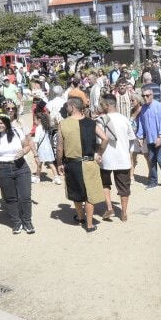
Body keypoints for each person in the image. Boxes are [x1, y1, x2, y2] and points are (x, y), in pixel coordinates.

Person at [57, 98, 107, 232]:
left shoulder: (63, 124)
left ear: (73, 107)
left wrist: (59, 163)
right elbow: (105, 138)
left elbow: (59, 147)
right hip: (90, 162)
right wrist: (99, 152)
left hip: (72, 164)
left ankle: (80, 217)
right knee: (89, 194)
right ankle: (90, 225)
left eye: (67, 106)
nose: (66, 108)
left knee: (77, 191)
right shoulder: (92, 123)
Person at [0, 114, 35, 234]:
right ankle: (16, 222)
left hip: (20, 166)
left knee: (25, 196)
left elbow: (28, 145)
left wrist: (23, 151)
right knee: (10, 198)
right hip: (3, 168)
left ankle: (27, 221)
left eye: (1, 123)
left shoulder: (17, 132)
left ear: (7, 122)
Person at [98, 94, 135, 222]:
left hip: (105, 158)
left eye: (102, 104)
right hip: (122, 158)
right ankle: (124, 212)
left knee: (105, 183)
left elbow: (99, 140)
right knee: (124, 188)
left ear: (107, 106)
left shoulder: (101, 120)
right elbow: (131, 139)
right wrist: (130, 156)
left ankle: (109, 207)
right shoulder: (124, 119)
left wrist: (98, 153)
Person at [136, 87, 161, 189]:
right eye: (143, 96)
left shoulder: (159, 106)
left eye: (147, 95)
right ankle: (153, 181)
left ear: (152, 95)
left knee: (160, 159)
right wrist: (140, 137)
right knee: (152, 160)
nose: (145, 98)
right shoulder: (143, 109)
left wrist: (160, 137)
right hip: (150, 139)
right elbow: (141, 123)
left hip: (160, 139)